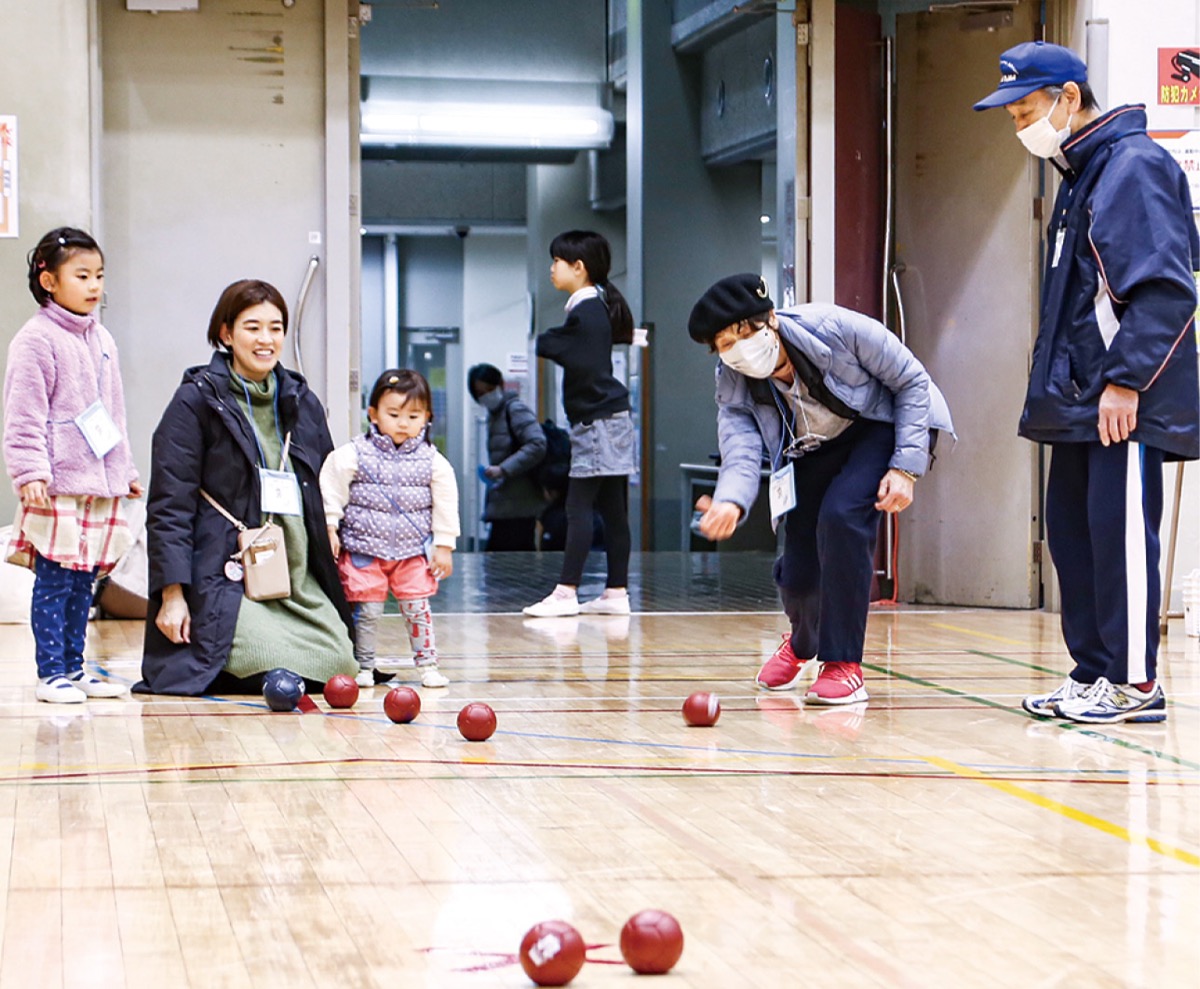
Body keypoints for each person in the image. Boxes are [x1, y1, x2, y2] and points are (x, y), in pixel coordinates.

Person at [973, 42, 1199, 724]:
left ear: (1069, 98)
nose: (1021, 127)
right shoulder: (1083, 174)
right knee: (1075, 537)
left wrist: (1125, 382)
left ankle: (1136, 684)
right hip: (1080, 399)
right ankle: (1093, 673)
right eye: (1013, 115)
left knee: (1120, 535)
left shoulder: (1132, 168)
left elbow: (1164, 292)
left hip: (1120, 401)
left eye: (1026, 111)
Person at [688, 274, 954, 704]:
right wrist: (730, 501)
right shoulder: (732, 379)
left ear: (771, 318)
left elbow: (912, 382)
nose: (739, 348)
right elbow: (739, 444)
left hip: (881, 426)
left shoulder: (834, 328)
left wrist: (906, 467)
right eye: (724, 344)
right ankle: (801, 643)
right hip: (814, 445)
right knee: (798, 563)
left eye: (745, 332)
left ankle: (843, 664)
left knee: (842, 516)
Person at [138, 279, 358, 695]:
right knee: (261, 654)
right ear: (226, 333)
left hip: (295, 572)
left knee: (338, 661)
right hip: (227, 571)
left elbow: (329, 481)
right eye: (252, 327)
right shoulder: (195, 402)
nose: (266, 339)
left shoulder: (301, 400)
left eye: (275, 328)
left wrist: (334, 527)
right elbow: (170, 504)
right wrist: (171, 594)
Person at [2, 227, 140, 703]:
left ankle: (76, 668)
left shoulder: (103, 339)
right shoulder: (35, 340)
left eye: (99, 275)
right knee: (55, 580)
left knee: (86, 583)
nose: (94, 285)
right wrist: (29, 473)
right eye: (82, 275)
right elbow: (23, 415)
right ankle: (50, 674)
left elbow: (113, 414)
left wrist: (126, 471)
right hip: (58, 485)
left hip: (98, 486)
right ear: (48, 280)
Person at [321, 369, 460, 689]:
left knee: (417, 608)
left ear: (426, 416)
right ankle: (364, 666)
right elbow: (331, 486)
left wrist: (444, 545)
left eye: (413, 415)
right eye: (393, 414)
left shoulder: (432, 461)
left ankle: (427, 665)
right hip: (363, 551)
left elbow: (445, 501)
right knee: (367, 611)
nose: (403, 423)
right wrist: (330, 524)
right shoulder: (353, 454)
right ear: (373, 414)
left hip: (411, 553)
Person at [523, 230, 638, 618]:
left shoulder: (586, 311)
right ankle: (616, 592)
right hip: (613, 420)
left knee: (578, 507)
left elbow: (574, 355)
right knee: (613, 508)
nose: (552, 268)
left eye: (557, 261)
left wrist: (543, 341)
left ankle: (566, 591)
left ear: (578, 267)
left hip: (597, 422)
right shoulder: (594, 308)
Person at [467, 363, 546, 551]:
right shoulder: (494, 416)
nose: (486, 396)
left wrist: (503, 469)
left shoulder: (514, 409)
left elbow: (537, 444)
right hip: (506, 504)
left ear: (500, 384)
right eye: (480, 393)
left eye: (489, 389)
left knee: (508, 565)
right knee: (502, 566)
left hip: (519, 504)